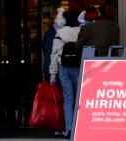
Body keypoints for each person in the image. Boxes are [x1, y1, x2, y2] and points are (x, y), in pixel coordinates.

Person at [49, 9, 81, 139]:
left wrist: (52, 73)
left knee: (68, 99)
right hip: (78, 67)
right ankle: (80, 127)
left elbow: (54, 54)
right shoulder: (82, 32)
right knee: (81, 98)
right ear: (76, 20)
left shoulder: (59, 33)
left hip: (64, 68)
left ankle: (69, 130)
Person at [42, 7, 66, 82]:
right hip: (53, 69)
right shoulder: (50, 34)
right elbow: (50, 51)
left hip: (53, 68)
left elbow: (45, 50)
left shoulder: (49, 33)